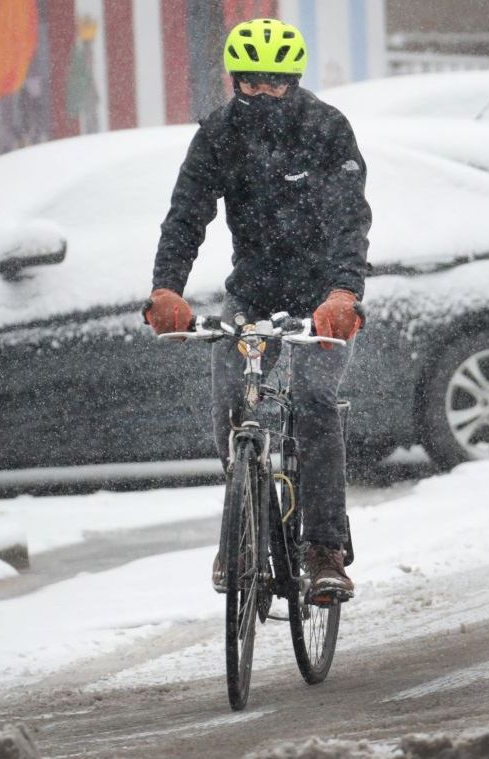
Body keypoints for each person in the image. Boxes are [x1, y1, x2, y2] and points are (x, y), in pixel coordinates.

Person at [142, 18, 370, 604]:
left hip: (322, 299)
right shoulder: (219, 135)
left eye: (275, 84)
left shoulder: (326, 129)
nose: (263, 93)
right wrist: (167, 287)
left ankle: (324, 550)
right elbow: (187, 214)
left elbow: (351, 219)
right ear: (235, 80)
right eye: (252, 84)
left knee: (316, 400)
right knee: (229, 397)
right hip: (253, 294)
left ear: (293, 81)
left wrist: (343, 293)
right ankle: (242, 530)